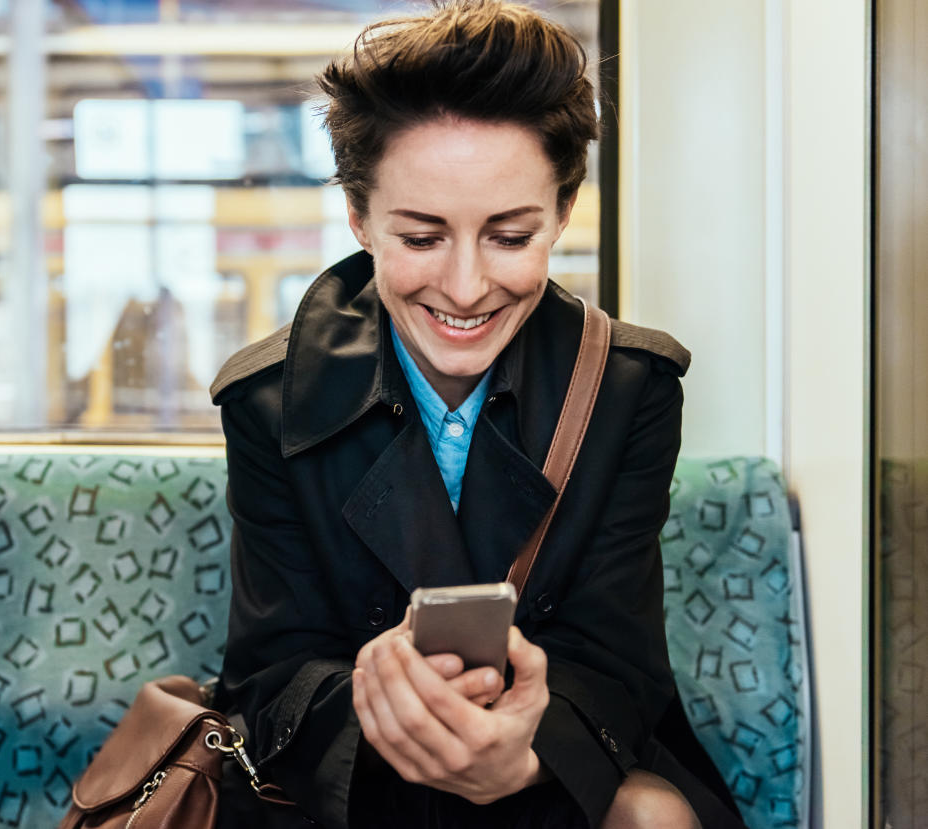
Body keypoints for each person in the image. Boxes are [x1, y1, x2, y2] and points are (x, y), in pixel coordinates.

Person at [209, 2, 746, 827]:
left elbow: (616, 661)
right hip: (351, 785)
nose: (465, 288)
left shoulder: (630, 389)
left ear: (563, 212)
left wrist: (524, 751)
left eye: (510, 236)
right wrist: (382, 698)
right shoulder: (266, 401)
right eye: (422, 238)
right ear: (358, 218)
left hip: (558, 770)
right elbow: (270, 675)